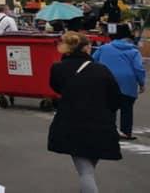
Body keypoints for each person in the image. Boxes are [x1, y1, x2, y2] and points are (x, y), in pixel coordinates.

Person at [48, 32, 121, 193]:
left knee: (85, 172)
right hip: (101, 124)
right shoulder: (101, 70)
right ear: (87, 48)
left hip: (71, 122)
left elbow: (56, 88)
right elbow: (116, 98)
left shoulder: (58, 68)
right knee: (88, 169)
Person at [93, 24, 146, 140]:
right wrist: (141, 83)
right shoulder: (134, 51)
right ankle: (126, 132)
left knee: (109, 108)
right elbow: (139, 69)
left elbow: (93, 61)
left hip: (107, 81)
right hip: (128, 83)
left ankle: (109, 130)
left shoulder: (104, 48)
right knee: (126, 109)